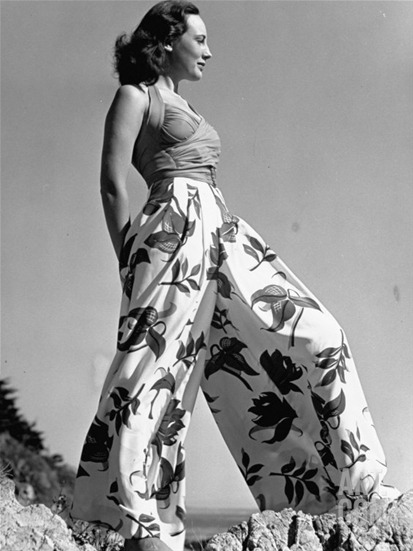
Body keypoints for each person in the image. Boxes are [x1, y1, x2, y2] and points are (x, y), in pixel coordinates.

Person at [70, 2, 399, 550]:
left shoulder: (183, 103)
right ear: (167, 40)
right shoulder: (137, 95)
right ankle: (140, 520)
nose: (209, 50)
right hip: (171, 229)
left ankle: (354, 484)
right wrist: (127, 256)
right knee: (155, 373)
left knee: (320, 336)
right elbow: (111, 182)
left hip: (220, 230)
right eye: (198, 39)